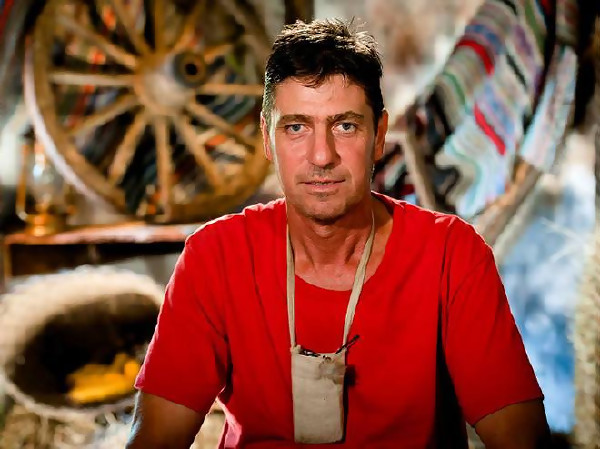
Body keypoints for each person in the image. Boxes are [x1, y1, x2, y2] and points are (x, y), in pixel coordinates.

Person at [126, 19, 550, 448]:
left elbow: (520, 437)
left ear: (379, 136)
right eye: (296, 127)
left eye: (345, 126)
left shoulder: (450, 254)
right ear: (267, 140)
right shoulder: (216, 256)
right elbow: (156, 438)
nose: (321, 156)